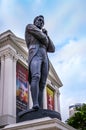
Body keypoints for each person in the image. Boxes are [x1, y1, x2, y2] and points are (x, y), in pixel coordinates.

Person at [25, 15, 55, 109]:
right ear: (35, 21)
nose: (41, 22)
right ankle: (35, 104)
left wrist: (47, 36)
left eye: (42, 21)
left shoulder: (44, 34)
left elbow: (52, 48)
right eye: (39, 20)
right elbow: (41, 37)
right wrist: (44, 36)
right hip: (35, 53)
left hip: (44, 57)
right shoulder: (30, 26)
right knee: (36, 76)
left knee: (42, 83)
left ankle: (40, 106)